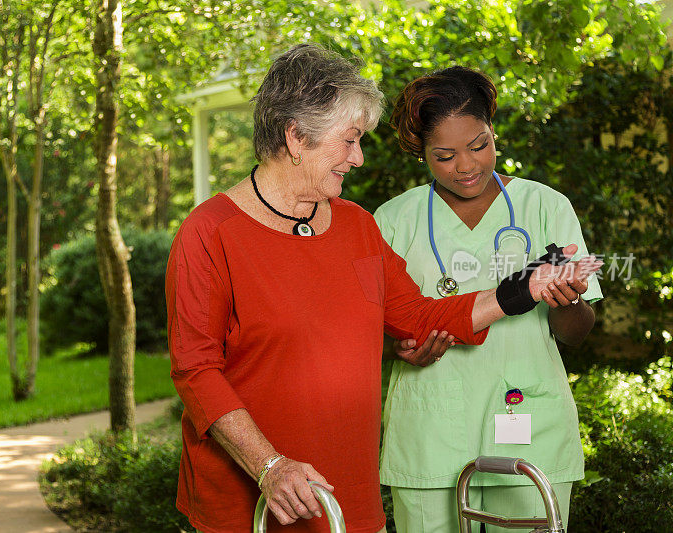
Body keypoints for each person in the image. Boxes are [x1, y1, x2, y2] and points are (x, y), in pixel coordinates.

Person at [166, 45, 599, 533]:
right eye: (349, 141)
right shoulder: (210, 232)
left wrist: (527, 287)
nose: (359, 157)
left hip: (347, 491)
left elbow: (417, 316)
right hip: (254, 493)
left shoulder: (356, 226)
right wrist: (269, 466)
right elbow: (196, 369)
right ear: (296, 137)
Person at [374, 66, 603, 533]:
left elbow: (579, 333)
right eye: (444, 155)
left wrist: (567, 302)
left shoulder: (545, 207)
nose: (466, 165)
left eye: (478, 145)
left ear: (493, 131)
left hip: (526, 426)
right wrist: (398, 348)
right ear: (422, 153)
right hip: (430, 430)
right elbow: (368, 332)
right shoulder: (393, 220)